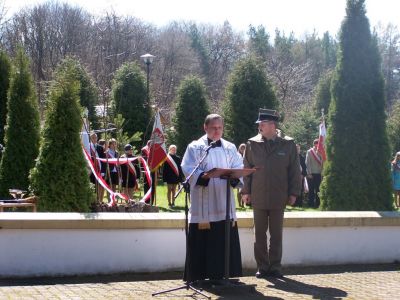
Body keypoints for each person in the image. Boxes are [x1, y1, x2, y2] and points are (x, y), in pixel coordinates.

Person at [181, 113, 243, 283]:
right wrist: (205, 176)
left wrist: (235, 176)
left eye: (220, 128)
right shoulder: (195, 147)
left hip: (224, 200)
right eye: (213, 128)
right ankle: (199, 275)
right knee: (204, 240)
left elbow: (238, 166)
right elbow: (188, 168)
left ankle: (222, 274)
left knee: (222, 238)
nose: (217, 131)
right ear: (205, 127)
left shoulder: (230, 147)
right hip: (204, 202)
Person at [241, 108, 301, 279]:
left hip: (279, 195)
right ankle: (262, 266)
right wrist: (245, 191)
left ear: (272, 125)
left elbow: (295, 171)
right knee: (259, 233)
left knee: (276, 234)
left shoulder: (288, 144)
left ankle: (275, 266)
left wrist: (294, 192)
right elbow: (247, 169)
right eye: (259, 123)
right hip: (258, 195)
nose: (259, 126)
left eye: (263, 123)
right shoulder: (252, 143)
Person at [305, 139, 323, 208]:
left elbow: (322, 162)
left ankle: (318, 204)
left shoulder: (321, 152)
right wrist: (309, 173)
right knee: (311, 189)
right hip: (311, 173)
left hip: (319, 173)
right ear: (314, 144)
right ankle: (311, 203)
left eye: (318, 144)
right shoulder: (309, 152)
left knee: (318, 189)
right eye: (316, 144)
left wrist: (322, 172)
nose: (317, 146)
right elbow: (307, 163)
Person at [89, 133, 106, 202]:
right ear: (90, 138)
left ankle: (98, 200)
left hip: (99, 169)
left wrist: (103, 171)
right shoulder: (88, 146)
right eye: (92, 137)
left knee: (99, 185)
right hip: (90, 169)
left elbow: (103, 160)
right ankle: (92, 200)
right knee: (92, 185)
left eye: (95, 137)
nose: (94, 139)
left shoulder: (100, 147)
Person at [236, 143, 246, 207]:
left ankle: (243, 203)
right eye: (242, 147)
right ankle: (239, 204)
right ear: (239, 148)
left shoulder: (247, 155)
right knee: (239, 189)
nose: (243, 149)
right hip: (239, 174)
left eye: (244, 147)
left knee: (244, 190)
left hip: (245, 174)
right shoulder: (237, 155)